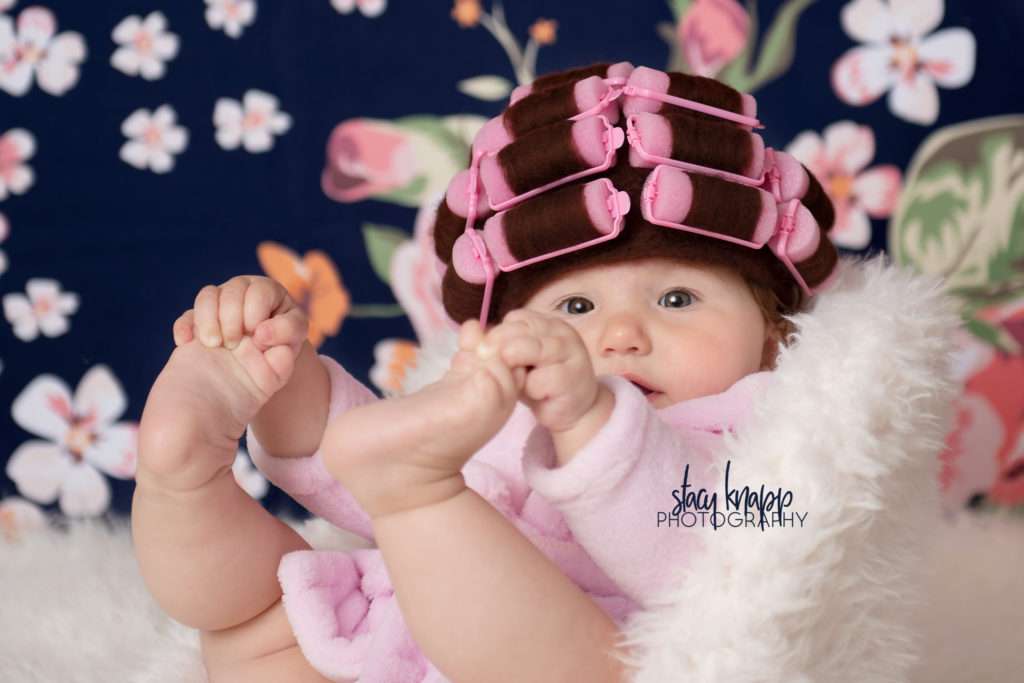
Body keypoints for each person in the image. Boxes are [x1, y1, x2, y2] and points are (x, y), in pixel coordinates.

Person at [132, 61, 841, 682]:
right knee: (251, 617)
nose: (621, 334)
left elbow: (700, 558)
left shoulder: (766, 436)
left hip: (566, 651)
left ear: (772, 332)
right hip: (391, 639)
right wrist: (288, 381)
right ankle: (184, 473)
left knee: (595, 666)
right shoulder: (497, 405)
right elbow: (352, 467)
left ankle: (415, 495)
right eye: (578, 304)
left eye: (677, 298)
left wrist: (592, 421)